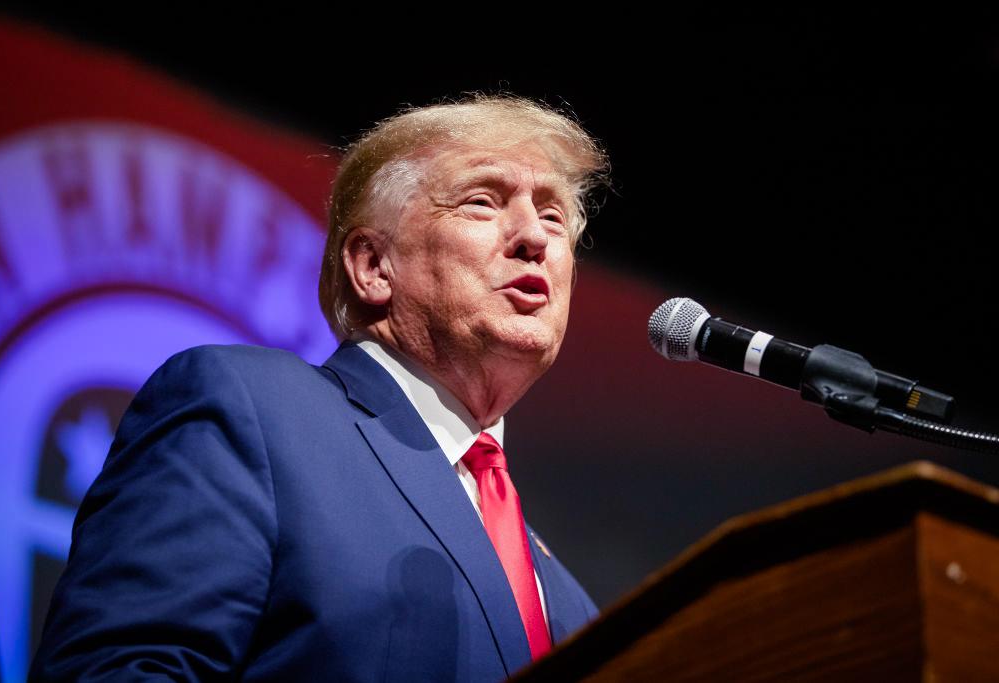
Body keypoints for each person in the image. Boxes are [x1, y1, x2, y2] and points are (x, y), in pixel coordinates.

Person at [31, 95, 609, 682]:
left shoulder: (570, 605)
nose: (534, 236)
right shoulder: (249, 411)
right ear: (373, 266)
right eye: (482, 202)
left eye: (554, 216)